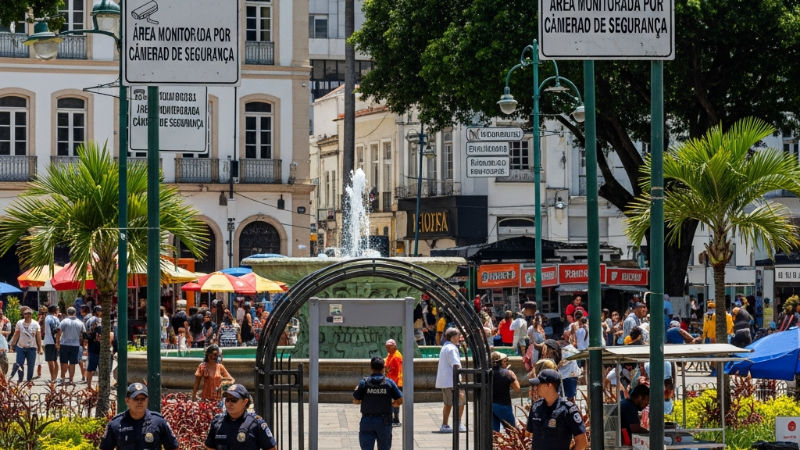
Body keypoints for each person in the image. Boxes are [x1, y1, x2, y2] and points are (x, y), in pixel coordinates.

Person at [100, 383, 179, 450]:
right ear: (127, 401)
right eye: (136, 399)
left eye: (143, 399)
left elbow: (173, 447)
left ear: (147, 400)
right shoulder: (116, 424)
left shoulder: (159, 422)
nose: (140, 402)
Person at [526, 369, 588, 450]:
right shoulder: (536, 407)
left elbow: (582, 442)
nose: (536, 388)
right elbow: (529, 433)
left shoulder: (567, 410)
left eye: (539, 384)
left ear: (549, 385)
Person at [352, 356, 403, 450]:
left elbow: (355, 401)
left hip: (367, 420)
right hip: (384, 421)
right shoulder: (389, 383)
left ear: (371, 367)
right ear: (383, 368)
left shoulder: (364, 383)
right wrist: (392, 404)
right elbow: (400, 399)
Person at [205, 384, 277, 450]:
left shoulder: (256, 423)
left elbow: (271, 448)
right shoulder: (217, 421)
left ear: (245, 401)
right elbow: (210, 447)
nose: (229, 403)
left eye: (234, 400)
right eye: (227, 399)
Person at [435, 327, 466, 433]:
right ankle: (457, 424)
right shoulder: (452, 348)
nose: (459, 337)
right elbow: (456, 364)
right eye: (458, 335)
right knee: (460, 401)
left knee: (448, 403)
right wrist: (462, 377)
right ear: (452, 337)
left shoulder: (445, 347)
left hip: (447, 380)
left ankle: (445, 424)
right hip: (452, 381)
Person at [9, 306, 43, 385]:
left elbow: (38, 337)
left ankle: (29, 380)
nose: (25, 316)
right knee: (19, 364)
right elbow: (16, 334)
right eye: (24, 314)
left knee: (31, 365)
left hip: (31, 348)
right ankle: (20, 379)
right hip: (21, 347)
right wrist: (12, 345)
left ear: (30, 315)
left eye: (27, 314)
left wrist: (40, 347)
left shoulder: (35, 324)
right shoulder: (20, 323)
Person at [491, 352, 520, 432]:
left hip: (490, 406)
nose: (507, 363)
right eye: (505, 361)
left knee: (495, 433)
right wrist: (513, 376)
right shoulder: (507, 373)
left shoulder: (488, 373)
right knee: (513, 432)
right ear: (501, 361)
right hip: (503, 406)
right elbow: (517, 389)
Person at [57, 306, 86, 386]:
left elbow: (59, 332)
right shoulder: (80, 322)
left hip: (64, 344)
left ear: (67, 313)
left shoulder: (64, 321)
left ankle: (63, 379)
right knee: (72, 363)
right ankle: (71, 380)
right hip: (75, 345)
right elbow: (84, 334)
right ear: (75, 313)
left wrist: (57, 342)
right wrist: (84, 344)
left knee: (64, 362)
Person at [383, 339, 403, 427]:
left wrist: (400, 383)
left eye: (389, 347)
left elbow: (400, 370)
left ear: (394, 347)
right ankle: (391, 417)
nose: (387, 349)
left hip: (395, 383)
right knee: (390, 401)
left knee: (395, 401)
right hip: (389, 381)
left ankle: (396, 419)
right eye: (386, 347)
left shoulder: (397, 357)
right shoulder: (390, 355)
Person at [43, 304, 61, 384]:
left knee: (50, 360)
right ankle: (55, 377)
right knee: (55, 360)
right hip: (55, 341)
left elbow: (52, 330)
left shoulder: (48, 318)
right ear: (55, 311)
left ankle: (52, 378)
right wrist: (57, 341)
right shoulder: (56, 319)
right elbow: (58, 330)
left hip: (49, 341)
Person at [84, 313, 102, 390]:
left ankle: (89, 386)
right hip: (96, 351)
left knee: (90, 369)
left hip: (94, 351)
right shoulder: (102, 329)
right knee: (93, 369)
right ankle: (93, 386)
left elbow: (87, 337)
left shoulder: (94, 330)